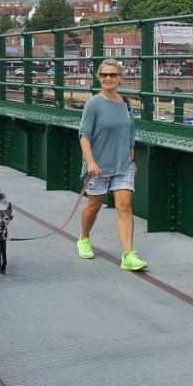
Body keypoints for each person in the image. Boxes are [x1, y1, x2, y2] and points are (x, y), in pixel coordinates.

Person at [76, 59, 145, 271]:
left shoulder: (126, 103)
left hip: (123, 165)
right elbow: (84, 135)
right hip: (98, 167)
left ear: (120, 78)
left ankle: (128, 255)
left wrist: (132, 160)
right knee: (94, 206)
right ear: (99, 78)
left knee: (124, 207)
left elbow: (131, 135)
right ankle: (84, 238)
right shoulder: (94, 104)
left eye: (113, 75)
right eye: (104, 75)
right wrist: (90, 162)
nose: (108, 78)